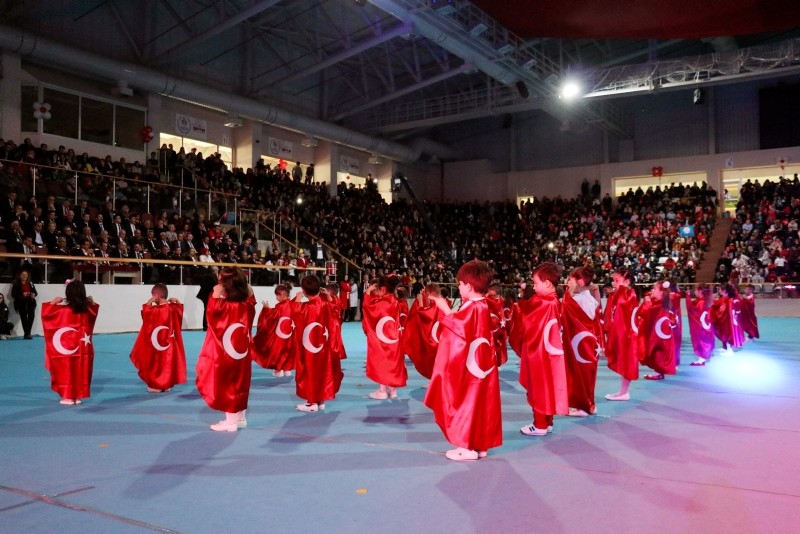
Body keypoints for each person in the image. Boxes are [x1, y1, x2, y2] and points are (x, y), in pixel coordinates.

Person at [424, 260, 501, 461]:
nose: (458, 286)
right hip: (481, 365)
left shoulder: (473, 308)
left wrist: (442, 306)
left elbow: (458, 329)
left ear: (468, 286)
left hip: (471, 366)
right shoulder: (482, 305)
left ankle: (467, 446)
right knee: (480, 403)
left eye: (459, 283)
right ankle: (480, 444)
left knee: (467, 400)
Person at [511, 262, 568, 437]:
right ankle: (547, 421)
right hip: (549, 353)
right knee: (547, 386)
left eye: (535, 283)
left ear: (547, 283)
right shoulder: (554, 301)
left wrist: (519, 307)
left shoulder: (544, 304)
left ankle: (540, 424)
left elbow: (530, 324)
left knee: (539, 387)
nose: (533, 287)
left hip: (540, 353)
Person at [195, 267, 256, 431]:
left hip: (225, 355)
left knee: (227, 383)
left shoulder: (222, 307)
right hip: (242, 354)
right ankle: (240, 417)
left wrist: (216, 291)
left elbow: (211, 313)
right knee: (241, 383)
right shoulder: (247, 306)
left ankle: (230, 422)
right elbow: (251, 296)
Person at [41, 280, 99, 405]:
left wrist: (53, 303)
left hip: (66, 348)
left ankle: (68, 395)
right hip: (83, 348)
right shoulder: (87, 310)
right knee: (81, 368)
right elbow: (93, 313)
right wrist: (92, 303)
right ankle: (78, 395)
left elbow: (47, 316)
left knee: (65, 369)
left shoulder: (61, 311)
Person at [291, 275, 344, 412]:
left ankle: (312, 402)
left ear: (303, 289)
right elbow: (336, 309)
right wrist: (329, 297)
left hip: (310, 347)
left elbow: (293, 311)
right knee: (322, 371)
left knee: (310, 371)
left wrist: (298, 297)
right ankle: (320, 400)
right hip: (324, 346)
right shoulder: (326, 305)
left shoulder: (303, 307)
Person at [562, 266, 603, 418]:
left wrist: (570, 292)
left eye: (570, 279)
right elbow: (598, 309)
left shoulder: (577, 299)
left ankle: (583, 407)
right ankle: (589, 403)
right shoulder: (588, 297)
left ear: (579, 282)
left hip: (581, 344)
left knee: (579, 374)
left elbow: (565, 308)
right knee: (588, 375)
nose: (567, 282)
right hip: (588, 342)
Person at [129, 283, 187, 392]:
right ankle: (167, 383)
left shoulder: (154, 311)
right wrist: (177, 302)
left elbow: (146, 313)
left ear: (157, 296)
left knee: (156, 361)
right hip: (169, 343)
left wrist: (150, 301)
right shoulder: (173, 309)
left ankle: (156, 385)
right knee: (167, 361)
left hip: (157, 343)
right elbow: (178, 311)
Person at [362, 275, 407, 400]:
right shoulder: (395, 301)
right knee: (392, 362)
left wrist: (367, 292)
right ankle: (392, 390)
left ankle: (382, 390)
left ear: (382, 289)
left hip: (383, 338)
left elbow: (369, 308)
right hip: (394, 337)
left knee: (382, 361)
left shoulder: (383, 302)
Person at [603, 268, 640, 401]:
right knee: (624, 362)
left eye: (617, 280)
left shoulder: (629, 294)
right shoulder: (622, 294)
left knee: (627, 363)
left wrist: (620, 291)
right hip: (624, 334)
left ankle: (624, 393)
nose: (613, 283)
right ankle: (622, 391)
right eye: (613, 280)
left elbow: (622, 310)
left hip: (628, 335)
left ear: (627, 281)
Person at [402, 283, 447, 379]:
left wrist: (420, 302)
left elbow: (426, 316)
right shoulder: (442, 303)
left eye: (427, 294)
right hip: (441, 338)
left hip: (435, 340)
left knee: (433, 360)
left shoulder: (437, 305)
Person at [636, 280, 678, 381]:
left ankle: (659, 372)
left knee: (657, 352)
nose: (652, 290)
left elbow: (643, 313)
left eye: (654, 288)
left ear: (661, 292)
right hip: (660, 334)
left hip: (658, 336)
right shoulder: (662, 303)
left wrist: (646, 302)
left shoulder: (657, 306)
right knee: (658, 352)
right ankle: (658, 371)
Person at [252, 283, 295, 377]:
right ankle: (287, 369)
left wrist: (266, 310)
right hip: (290, 333)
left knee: (278, 350)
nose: (276, 298)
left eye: (277, 295)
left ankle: (279, 369)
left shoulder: (280, 306)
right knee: (288, 350)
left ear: (283, 294)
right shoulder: (293, 305)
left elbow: (272, 317)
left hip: (280, 334)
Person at [710, 283, 745, 354]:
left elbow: (730, 311)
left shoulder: (730, 300)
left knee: (728, 334)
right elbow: (715, 306)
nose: (719, 291)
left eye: (720, 289)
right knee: (724, 334)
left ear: (725, 291)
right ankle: (725, 347)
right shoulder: (723, 299)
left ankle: (729, 349)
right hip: (723, 320)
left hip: (729, 321)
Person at [687, 284, 715, 366]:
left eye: (696, 290)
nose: (694, 292)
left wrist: (688, 298)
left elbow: (693, 311)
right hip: (707, 325)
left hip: (701, 325)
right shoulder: (706, 300)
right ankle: (704, 356)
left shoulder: (701, 302)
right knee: (706, 339)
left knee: (701, 340)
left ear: (700, 291)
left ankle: (702, 358)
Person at [11, 270, 38, 339]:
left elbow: (35, 292)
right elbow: (13, 294)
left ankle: (27, 333)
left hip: (30, 302)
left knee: (31, 316)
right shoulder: (16, 283)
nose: (24, 276)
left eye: (26, 275)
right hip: (21, 302)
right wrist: (22, 294)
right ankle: (27, 334)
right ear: (20, 275)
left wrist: (33, 294)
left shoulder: (30, 283)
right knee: (24, 318)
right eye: (23, 274)